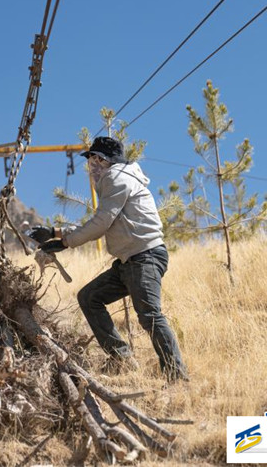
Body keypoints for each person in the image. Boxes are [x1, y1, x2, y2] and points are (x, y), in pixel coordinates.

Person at [29, 136, 188, 382]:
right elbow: (103, 220)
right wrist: (54, 233)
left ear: (104, 160)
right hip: (130, 261)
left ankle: (177, 377)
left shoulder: (116, 178)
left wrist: (64, 243)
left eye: (94, 160)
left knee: (150, 315)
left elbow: (101, 223)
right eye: (91, 161)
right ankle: (121, 358)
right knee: (89, 297)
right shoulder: (120, 180)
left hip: (143, 257)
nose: (92, 167)